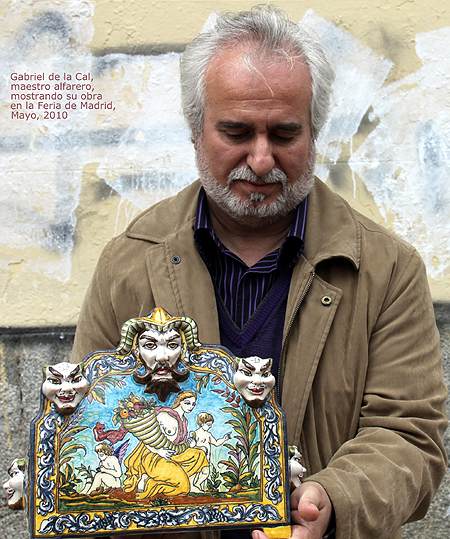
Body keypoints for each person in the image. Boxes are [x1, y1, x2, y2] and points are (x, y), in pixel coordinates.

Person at [72, 5, 448, 539]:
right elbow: (83, 425)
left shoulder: (387, 269)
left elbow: (410, 438)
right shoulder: (128, 262)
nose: (263, 159)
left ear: (315, 132)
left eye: (285, 134)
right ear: (195, 130)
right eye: (236, 131)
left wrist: (332, 501)